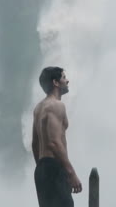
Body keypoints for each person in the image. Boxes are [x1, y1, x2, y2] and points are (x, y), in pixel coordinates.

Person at [32, 66, 82, 207]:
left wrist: (42, 168)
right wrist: (71, 173)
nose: (67, 81)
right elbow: (54, 142)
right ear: (55, 82)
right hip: (54, 167)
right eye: (64, 78)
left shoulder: (38, 108)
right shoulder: (56, 105)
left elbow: (35, 144)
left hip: (42, 169)